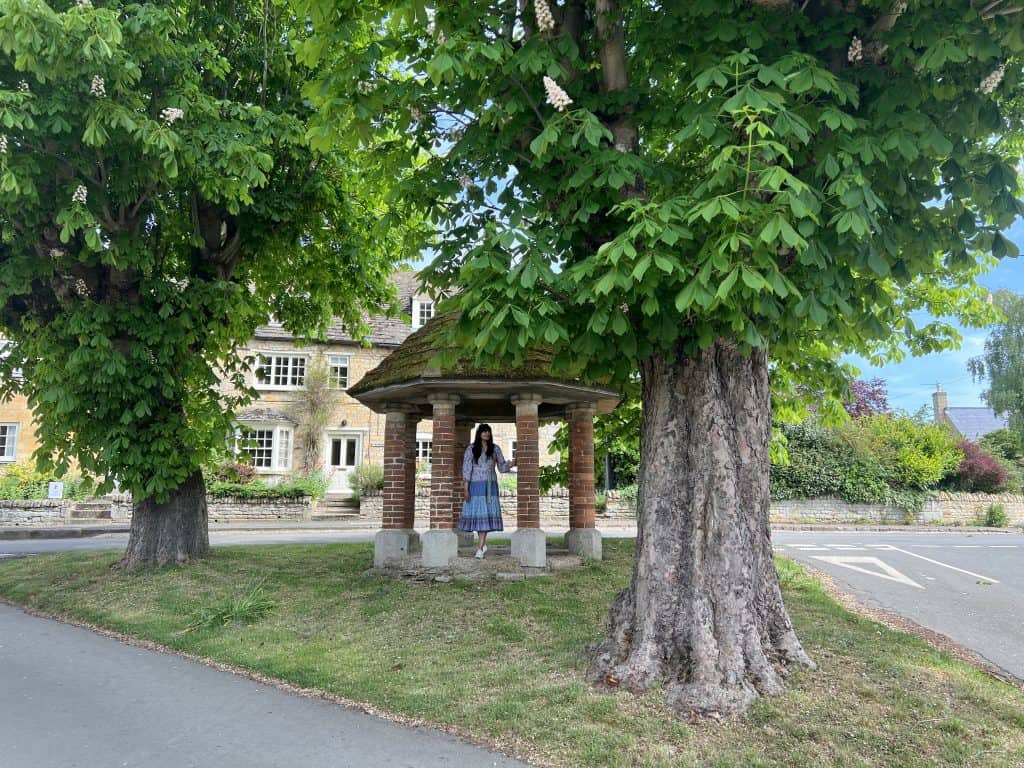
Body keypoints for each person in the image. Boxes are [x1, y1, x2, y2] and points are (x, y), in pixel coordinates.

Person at [460, 423, 515, 558]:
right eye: (484, 431)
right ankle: (482, 545)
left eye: (488, 431)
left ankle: (480, 547)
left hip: (491, 487)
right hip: (475, 486)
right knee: (480, 517)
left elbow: (502, 467)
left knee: (486, 516)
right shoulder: (471, 449)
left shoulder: (495, 449)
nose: (486, 434)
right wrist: (466, 489)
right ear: (479, 433)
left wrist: (513, 462)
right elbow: (467, 469)